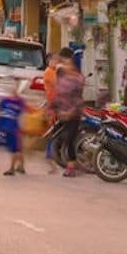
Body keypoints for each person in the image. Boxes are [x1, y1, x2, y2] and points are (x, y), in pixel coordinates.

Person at [50, 48, 85, 178]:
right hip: (62, 111)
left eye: (67, 63)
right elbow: (58, 93)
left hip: (73, 113)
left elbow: (78, 98)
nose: (65, 65)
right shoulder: (61, 75)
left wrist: (70, 112)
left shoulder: (78, 78)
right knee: (61, 137)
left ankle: (71, 166)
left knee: (69, 138)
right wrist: (52, 107)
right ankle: (72, 162)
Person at [0, 82, 26, 176]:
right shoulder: (6, 100)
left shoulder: (13, 101)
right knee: (16, 148)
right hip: (8, 126)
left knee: (15, 149)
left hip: (12, 127)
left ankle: (12, 168)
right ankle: (20, 166)